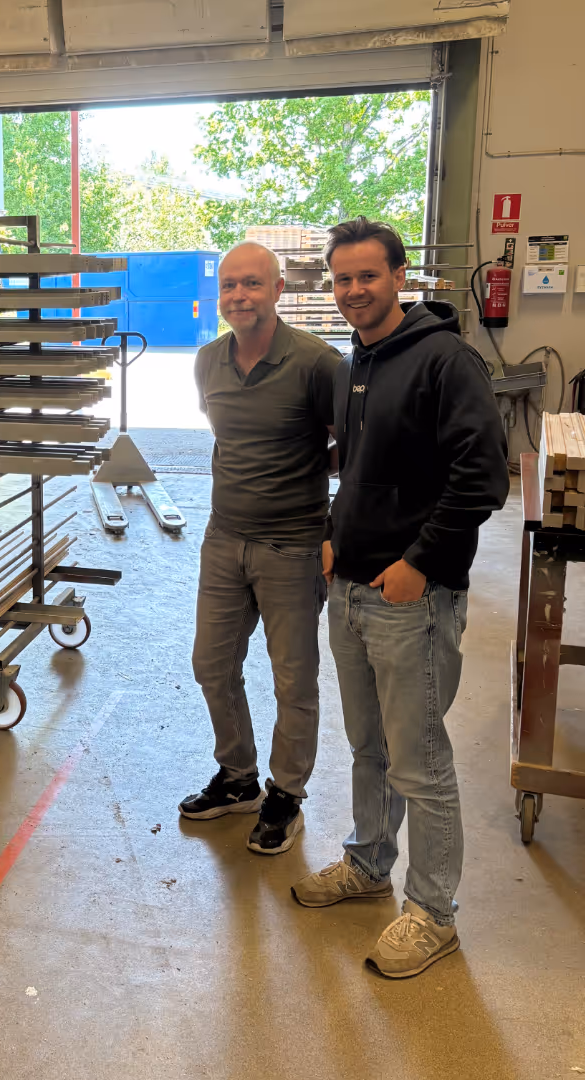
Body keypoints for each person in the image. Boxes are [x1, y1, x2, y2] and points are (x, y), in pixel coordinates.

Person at [291, 218, 508, 978]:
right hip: (351, 588)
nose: (353, 291)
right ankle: (368, 862)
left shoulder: (445, 360)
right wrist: (331, 534)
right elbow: (354, 468)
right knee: (369, 748)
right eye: (342, 279)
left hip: (412, 596)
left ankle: (434, 913)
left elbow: (483, 477)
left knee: (420, 761)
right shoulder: (357, 361)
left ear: (399, 276)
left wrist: (419, 561)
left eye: (367, 276)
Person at [180, 242, 342, 855]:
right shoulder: (208, 362)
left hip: (293, 546)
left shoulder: (317, 363)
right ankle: (239, 777)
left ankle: (286, 794)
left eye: (252, 284)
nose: (238, 296)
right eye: (229, 285)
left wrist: (328, 520)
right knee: (211, 664)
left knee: (293, 680)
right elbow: (228, 439)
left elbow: (353, 446)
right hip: (224, 538)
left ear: (278, 289)